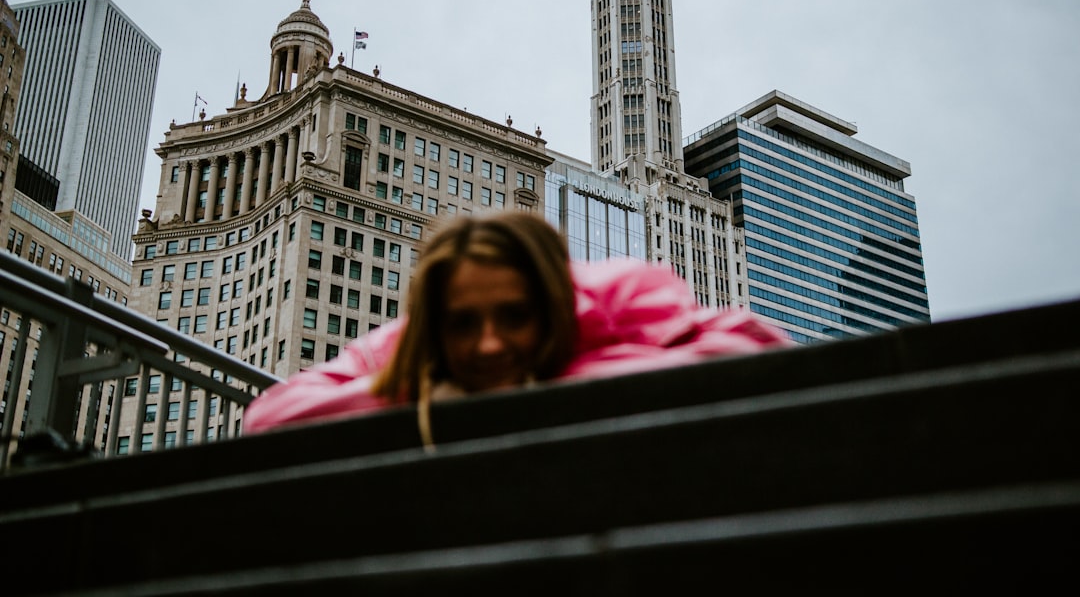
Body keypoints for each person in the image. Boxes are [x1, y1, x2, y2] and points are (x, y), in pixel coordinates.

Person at [243, 211, 789, 443]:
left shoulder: (625, 298)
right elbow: (268, 419)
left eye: (514, 316)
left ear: (551, 303)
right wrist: (431, 392)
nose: (487, 343)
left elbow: (757, 349)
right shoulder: (405, 345)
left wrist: (538, 390)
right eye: (462, 324)